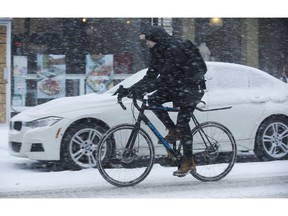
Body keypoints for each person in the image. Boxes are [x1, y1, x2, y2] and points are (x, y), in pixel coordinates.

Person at [118, 26, 206, 177]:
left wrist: (142, 90)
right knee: (153, 101)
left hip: (191, 87)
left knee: (183, 123)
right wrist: (130, 89)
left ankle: (188, 161)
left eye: (148, 40)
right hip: (176, 86)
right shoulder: (157, 52)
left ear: (157, 39)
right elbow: (151, 76)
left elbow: (165, 77)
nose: (146, 44)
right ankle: (173, 130)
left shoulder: (174, 49)